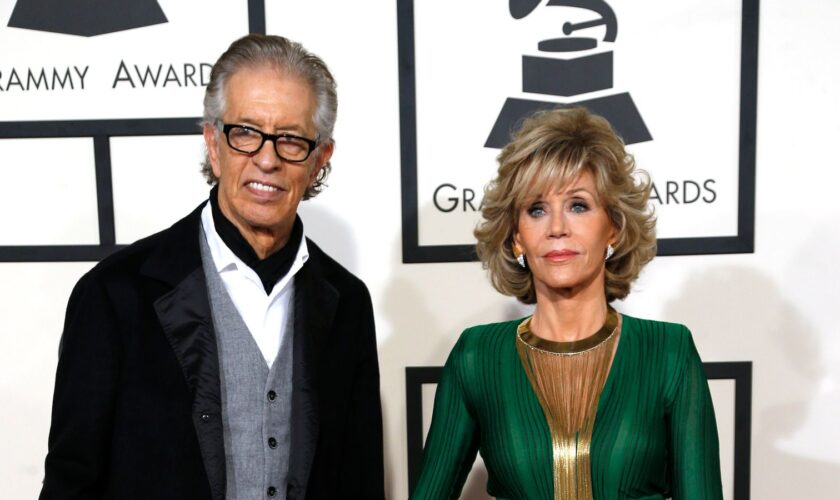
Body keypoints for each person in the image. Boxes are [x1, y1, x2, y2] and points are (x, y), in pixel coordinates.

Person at [40, 34, 384, 500]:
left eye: (290, 140)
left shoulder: (347, 302)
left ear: (320, 159)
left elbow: (358, 480)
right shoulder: (114, 295)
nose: (267, 159)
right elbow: (71, 483)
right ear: (212, 143)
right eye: (246, 132)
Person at [411, 107, 722, 499]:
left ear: (613, 226)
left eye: (578, 205)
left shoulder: (668, 353)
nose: (557, 228)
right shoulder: (476, 357)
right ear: (517, 236)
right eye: (537, 210)